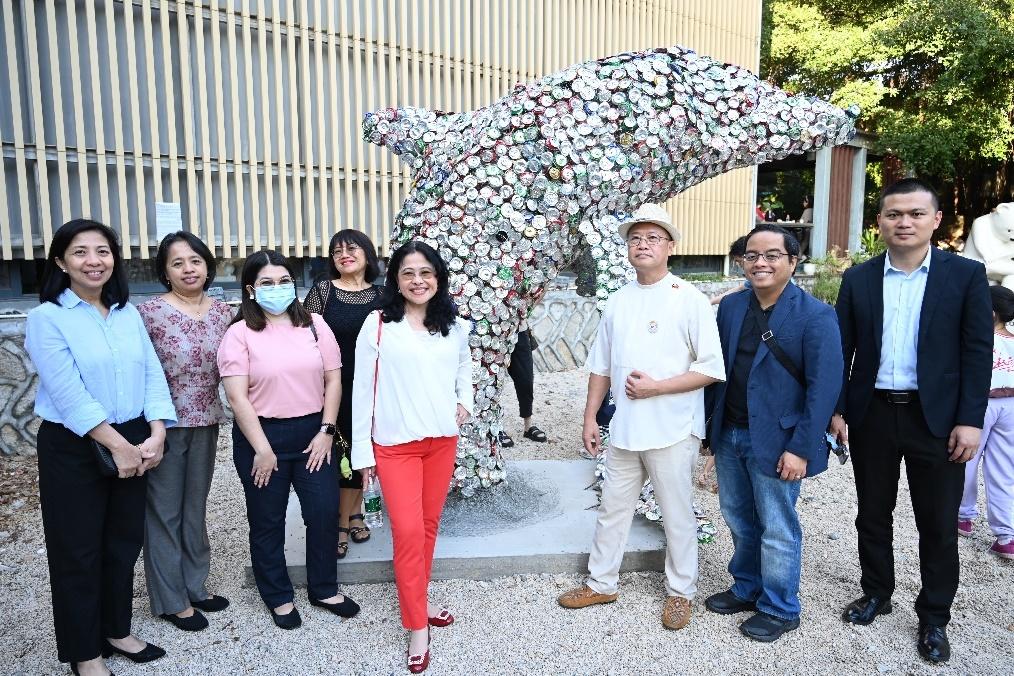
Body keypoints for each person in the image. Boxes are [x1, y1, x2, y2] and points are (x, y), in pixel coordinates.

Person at [832, 178, 992, 664]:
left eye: (915, 214)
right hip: (873, 413)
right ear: (879, 221)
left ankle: (934, 615)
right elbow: (842, 349)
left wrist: (970, 419)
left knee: (938, 522)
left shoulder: (964, 276)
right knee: (872, 513)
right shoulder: (859, 278)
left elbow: (976, 351)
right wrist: (837, 409)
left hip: (938, 420)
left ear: (935, 220)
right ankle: (877, 591)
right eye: (894, 214)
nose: (904, 222)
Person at [557, 203, 725, 632]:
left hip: (672, 428)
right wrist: (591, 417)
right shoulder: (618, 301)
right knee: (613, 508)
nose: (643, 245)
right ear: (627, 248)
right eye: (636, 239)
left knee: (677, 514)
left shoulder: (689, 299)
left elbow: (710, 369)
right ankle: (601, 582)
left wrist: (656, 387)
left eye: (653, 238)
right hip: (625, 429)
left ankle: (680, 593)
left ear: (670, 246)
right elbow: (601, 366)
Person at [24, 219, 176, 675]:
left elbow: (151, 373)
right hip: (74, 445)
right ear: (60, 261)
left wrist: (156, 432)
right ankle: (83, 653)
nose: (94, 261)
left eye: (103, 251)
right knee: (77, 551)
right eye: (80, 252)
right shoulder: (47, 317)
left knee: (121, 544)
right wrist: (119, 446)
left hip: (133, 434)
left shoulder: (127, 313)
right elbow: (67, 392)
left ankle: (116, 629)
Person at [703, 224, 843, 642]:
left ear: (793, 261)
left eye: (772, 255)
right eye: (751, 255)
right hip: (729, 432)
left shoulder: (816, 315)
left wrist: (801, 448)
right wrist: (709, 432)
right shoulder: (731, 308)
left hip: (780, 440)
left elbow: (823, 390)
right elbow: (718, 372)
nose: (760, 262)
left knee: (778, 525)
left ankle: (781, 607)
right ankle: (747, 587)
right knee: (739, 518)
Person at [218, 250, 359, 630]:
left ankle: (324, 587)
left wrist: (327, 432)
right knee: (267, 521)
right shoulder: (239, 333)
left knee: (324, 512)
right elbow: (237, 396)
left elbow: (334, 380)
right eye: (266, 283)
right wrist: (262, 450)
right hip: (261, 438)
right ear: (251, 289)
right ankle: (278, 595)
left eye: (283, 281)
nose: (277, 289)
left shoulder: (314, 324)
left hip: (314, 433)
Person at [351, 240, 473, 673]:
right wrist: (363, 452)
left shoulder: (452, 325)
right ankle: (416, 626)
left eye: (426, 273)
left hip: (441, 441)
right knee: (406, 532)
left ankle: (418, 601)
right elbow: (361, 390)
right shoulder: (379, 324)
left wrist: (465, 401)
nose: (418, 281)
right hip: (395, 445)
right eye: (408, 273)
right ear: (396, 280)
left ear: (437, 278)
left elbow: (464, 368)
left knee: (426, 528)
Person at [137, 231, 233, 631]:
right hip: (163, 425)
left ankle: (195, 585)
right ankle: (171, 598)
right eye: (177, 263)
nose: (187, 269)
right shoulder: (148, 313)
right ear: (165, 271)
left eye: (194, 260)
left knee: (195, 507)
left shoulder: (224, 312)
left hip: (207, 421)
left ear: (207, 265)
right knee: (163, 512)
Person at [302, 229, 386, 559]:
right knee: (339, 453)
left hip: (370, 388)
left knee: (360, 451)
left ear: (368, 254)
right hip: (331, 386)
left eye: (351, 248)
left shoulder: (382, 296)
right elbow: (304, 336)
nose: (343, 254)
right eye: (336, 251)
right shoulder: (323, 292)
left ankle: (353, 514)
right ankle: (341, 520)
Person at [958, 285, 1014, 559]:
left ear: (990, 314)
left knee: (967, 459)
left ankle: (964, 516)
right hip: (1012, 406)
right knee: (1004, 469)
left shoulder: (978, 340)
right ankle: (1006, 535)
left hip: (981, 404)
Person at [500, 287, 548, 447]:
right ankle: (495, 428)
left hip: (520, 330)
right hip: (495, 331)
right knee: (494, 382)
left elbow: (535, 299)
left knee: (526, 380)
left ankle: (528, 427)